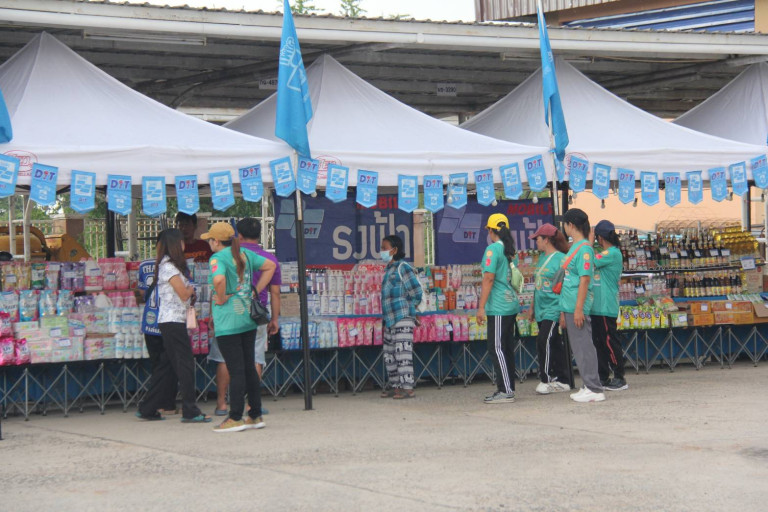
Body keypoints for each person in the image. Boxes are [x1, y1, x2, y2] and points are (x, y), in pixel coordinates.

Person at [203, 222, 276, 433]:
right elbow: (271, 266)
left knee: (235, 369)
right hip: (247, 318)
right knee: (249, 367)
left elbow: (218, 280)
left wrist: (221, 296)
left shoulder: (217, 258)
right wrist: (255, 290)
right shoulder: (244, 254)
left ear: (216, 241)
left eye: (210, 240)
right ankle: (255, 414)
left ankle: (235, 417)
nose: (209, 243)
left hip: (228, 321)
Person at [137, 229, 211, 422]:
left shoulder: (169, 266)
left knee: (166, 366)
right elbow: (183, 294)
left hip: (172, 320)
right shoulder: (169, 267)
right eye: (182, 241)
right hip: (172, 322)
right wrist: (191, 289)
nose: (185, 244)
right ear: (176, 244)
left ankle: (147, 407)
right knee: (185, 365)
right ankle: (190, 410)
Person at [559, 209, 606, 403]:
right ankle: (588, 384)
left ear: (570, 225)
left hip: (577, 305)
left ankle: (594, 388)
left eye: (564, 224)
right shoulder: (577, 246)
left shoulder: (584, 249)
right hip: (570, 304)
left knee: (584, 346)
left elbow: (585, 279)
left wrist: (578, 309)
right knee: (579, 347)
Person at [477, 213, 519, 404]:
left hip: (499, 306)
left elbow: (488, 278)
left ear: (491, 231)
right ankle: (509, 387)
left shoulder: (493, 249)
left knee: (496, 348)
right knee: (506, 348)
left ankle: (505, 390)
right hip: (510, 303)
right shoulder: (510, 250)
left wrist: (481, 307)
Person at [526, 223, 572, 395]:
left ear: (546, 240)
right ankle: (563, 379)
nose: (536, 242)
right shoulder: (541, 258)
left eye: (537, 239)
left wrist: (563, 312)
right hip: (541, 308)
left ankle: (546, 379)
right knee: (554, 343)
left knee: (543, 341)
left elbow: (565, 286)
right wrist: (532, 307)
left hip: (553, 307)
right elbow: (538, 285)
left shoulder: (561, 259)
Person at [379, 235, 423, 399]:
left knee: (402, 354)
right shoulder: (388, 270)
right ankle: (396, 386)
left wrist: (409, 308)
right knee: (389, 354)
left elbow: (416, 292)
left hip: (402, 317)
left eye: (385, 248)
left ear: (394, 250)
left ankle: (407, 388)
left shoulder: (403, 267)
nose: (382, 251)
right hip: (389, 318)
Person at [590, 220, 629, 391]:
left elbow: (588, 261)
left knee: (609, 342)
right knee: (599, 343)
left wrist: (588, 243)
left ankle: (619, 377)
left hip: (606, 306)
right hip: (597, 306)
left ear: (600, 237)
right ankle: (603, 376)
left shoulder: (612, 253)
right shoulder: (606, 252)